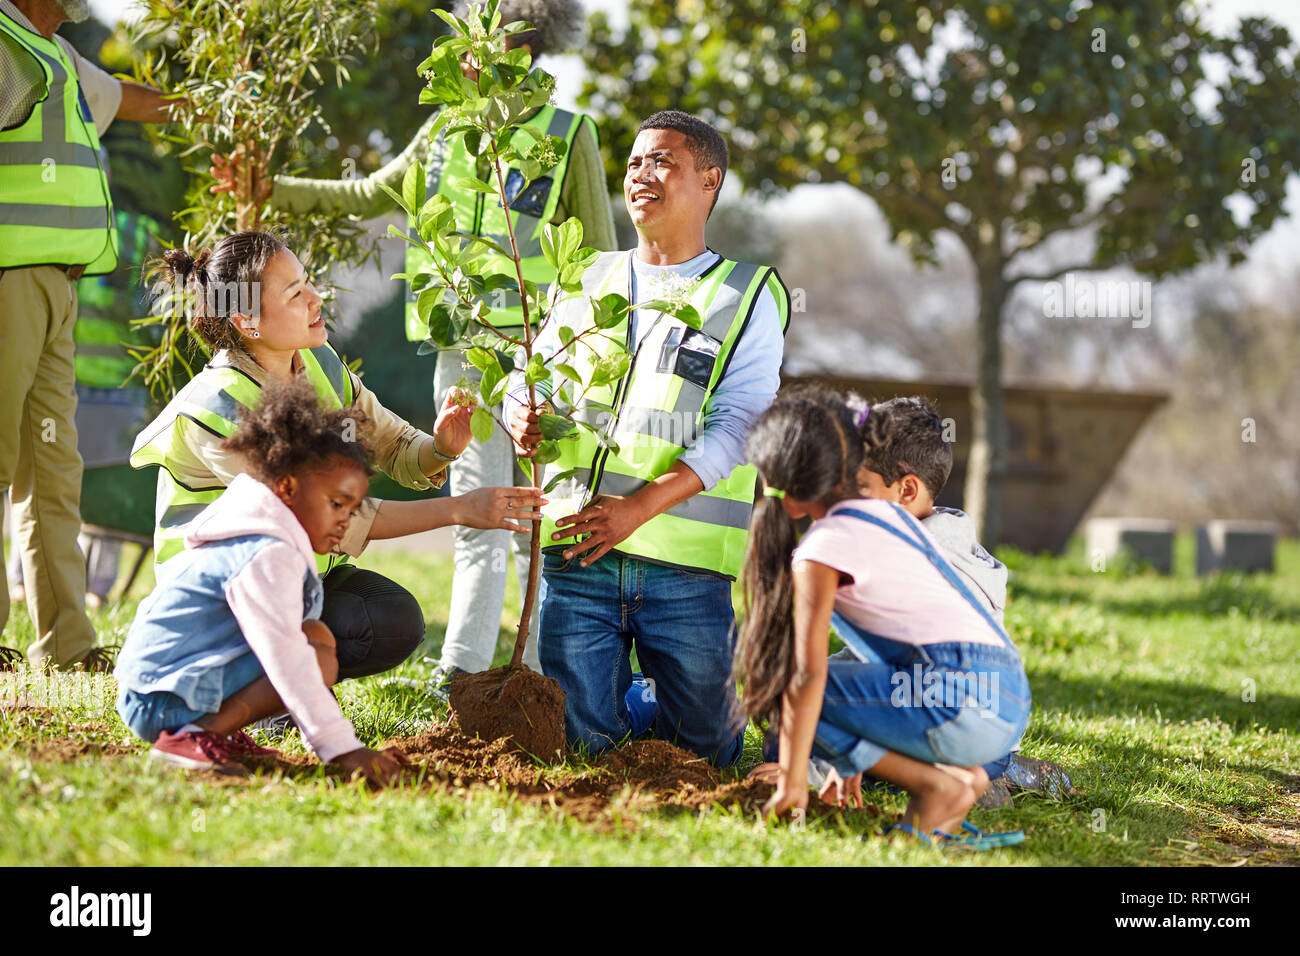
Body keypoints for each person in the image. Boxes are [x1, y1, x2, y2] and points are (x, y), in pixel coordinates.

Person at [210, 0, 615, 689]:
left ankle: (544, 682)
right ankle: (461, 674)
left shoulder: (569, 135)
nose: (459, 57)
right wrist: (270, 188)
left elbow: (601, 257)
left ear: (518, 50)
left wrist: (580, 356)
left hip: (548, 359)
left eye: (474, 45)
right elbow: (369, 191)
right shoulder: (443, 131)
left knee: (550, 519)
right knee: (479, 518)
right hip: (464, 358)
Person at [130, 231, 544, 682]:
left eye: (308, 282)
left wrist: (441, 448)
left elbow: (393, 444)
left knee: (389, 618)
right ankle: (239, 682)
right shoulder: (217, 407)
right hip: (216, 602)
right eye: (295, 294)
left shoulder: (316, 362)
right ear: (247, 320)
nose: (314, 298)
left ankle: (287, 678)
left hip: (290, 581)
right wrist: (459, 509)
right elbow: (320, 516)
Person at [510, 110, 790, 766]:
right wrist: (524, 410)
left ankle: (640, 703)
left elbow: (738, 426)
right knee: (581, 751)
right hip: (578, 553)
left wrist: (637, 509)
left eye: (662, 161)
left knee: (706, 756)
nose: (641, 173)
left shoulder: (746, 294)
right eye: (634, 163)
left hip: (685, 567)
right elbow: (533, 381)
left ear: (710, 181)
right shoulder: (581, 276)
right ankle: (626, 711)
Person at [737, 389, 1030, 847]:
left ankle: (939, 784)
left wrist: (795, 781)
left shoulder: (826, 543)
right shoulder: (890, 521)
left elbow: (807, 675)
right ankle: (951, 792)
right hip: (1004, 702)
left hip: (955, 700)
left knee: (789, 683)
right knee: (823, 682)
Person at [115, 378, 408, 785]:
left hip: (162, 689)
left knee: (315, 638)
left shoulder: (263, 528)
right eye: (336, 503)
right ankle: (191, 736)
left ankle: (215, 730)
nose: (346, 519)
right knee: (311, 652)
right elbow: (286, 657)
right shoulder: (266, 551)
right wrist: (343, 748)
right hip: (160, 698)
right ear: (287, 487)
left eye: (353, 508)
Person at [0, 0, 171, 670]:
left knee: (51, 471)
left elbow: (127, 99)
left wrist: (208, 106)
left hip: (56, 289)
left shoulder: (60, 57)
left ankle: (66, 647)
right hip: (9, 279)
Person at [856, 395, 1072, 799]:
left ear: (905, 490)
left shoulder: (909, 565)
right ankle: (1000, 772)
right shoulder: (956, 546)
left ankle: (960, 780)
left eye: (860, 489)